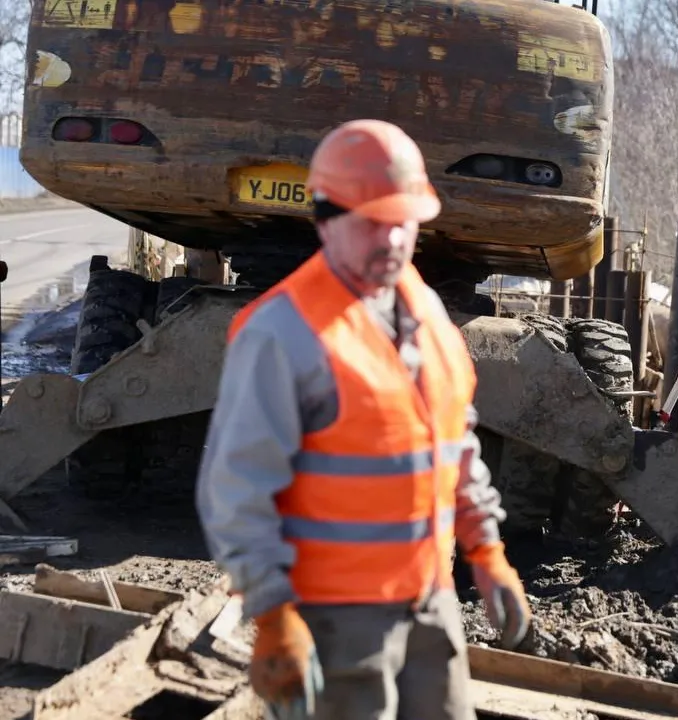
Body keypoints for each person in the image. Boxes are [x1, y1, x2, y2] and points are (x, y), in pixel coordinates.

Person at [195, 119, 530, 720]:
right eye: (373, 221)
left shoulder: (424, 308)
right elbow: (235, 491)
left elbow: (454, 442)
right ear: (326, 219)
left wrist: (487, 552)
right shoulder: (283, 332)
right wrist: (272, 617)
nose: (394, 239)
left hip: (430, 604)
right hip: (332, 620)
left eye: (404, 220)